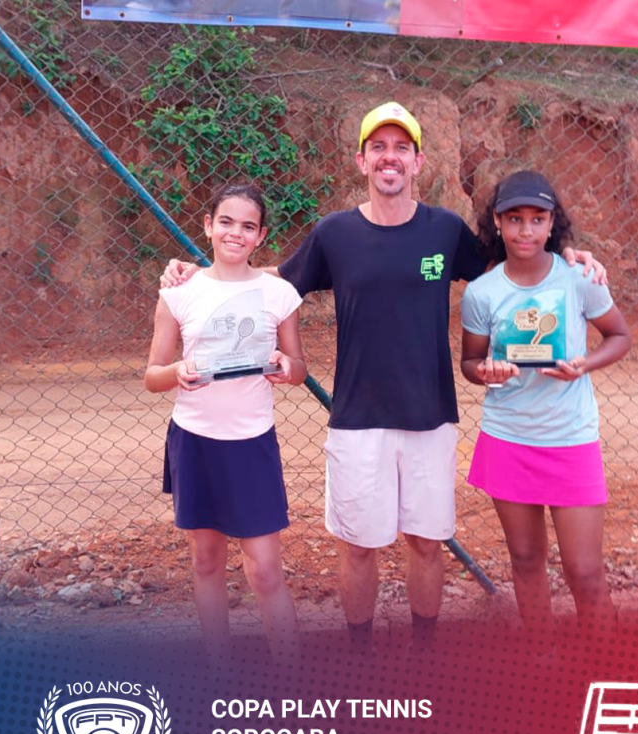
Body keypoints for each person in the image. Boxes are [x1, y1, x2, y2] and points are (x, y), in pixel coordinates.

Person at [160, 102, 606, 658]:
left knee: (426, 544)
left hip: (430, 415)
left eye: (400, 148)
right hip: (357, 418)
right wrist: (201, 273)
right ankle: (360, 656)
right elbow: (272, 278)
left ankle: (423, 656)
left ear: (417, 161)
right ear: (362, 160)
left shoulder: (444, 230)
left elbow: (512, 261)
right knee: (358, 547)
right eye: (378, 148)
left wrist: (566, 253)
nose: (389, 158)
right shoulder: (335, 233)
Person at [460, 170, 631, 656]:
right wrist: (487, 372)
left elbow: (619, 336)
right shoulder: (482, 292)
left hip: (570, 438)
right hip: (509, 437)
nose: (526, 230)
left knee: (585, 570)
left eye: (538, 219)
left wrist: (584, 364)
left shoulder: (578, 278)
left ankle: (606, 668)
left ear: (552, 223)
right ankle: (542, 662)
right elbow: (470, 362)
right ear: (497, 223)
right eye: (515, 219)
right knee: (526, 558)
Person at [145, 182, 305, 667]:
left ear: (261, 236)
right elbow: (152, 376)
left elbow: (299, 368)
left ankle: (292, 676)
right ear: (208, 226)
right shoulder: (179, 292)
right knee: (206, 561)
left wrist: (286, 366)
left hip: (251, 443)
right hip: (195, 440)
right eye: (226, 222)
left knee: (266, 569)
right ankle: (220, 669)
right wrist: (179, 372)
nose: (236, 233)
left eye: (248, 226)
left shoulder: (279, 293)